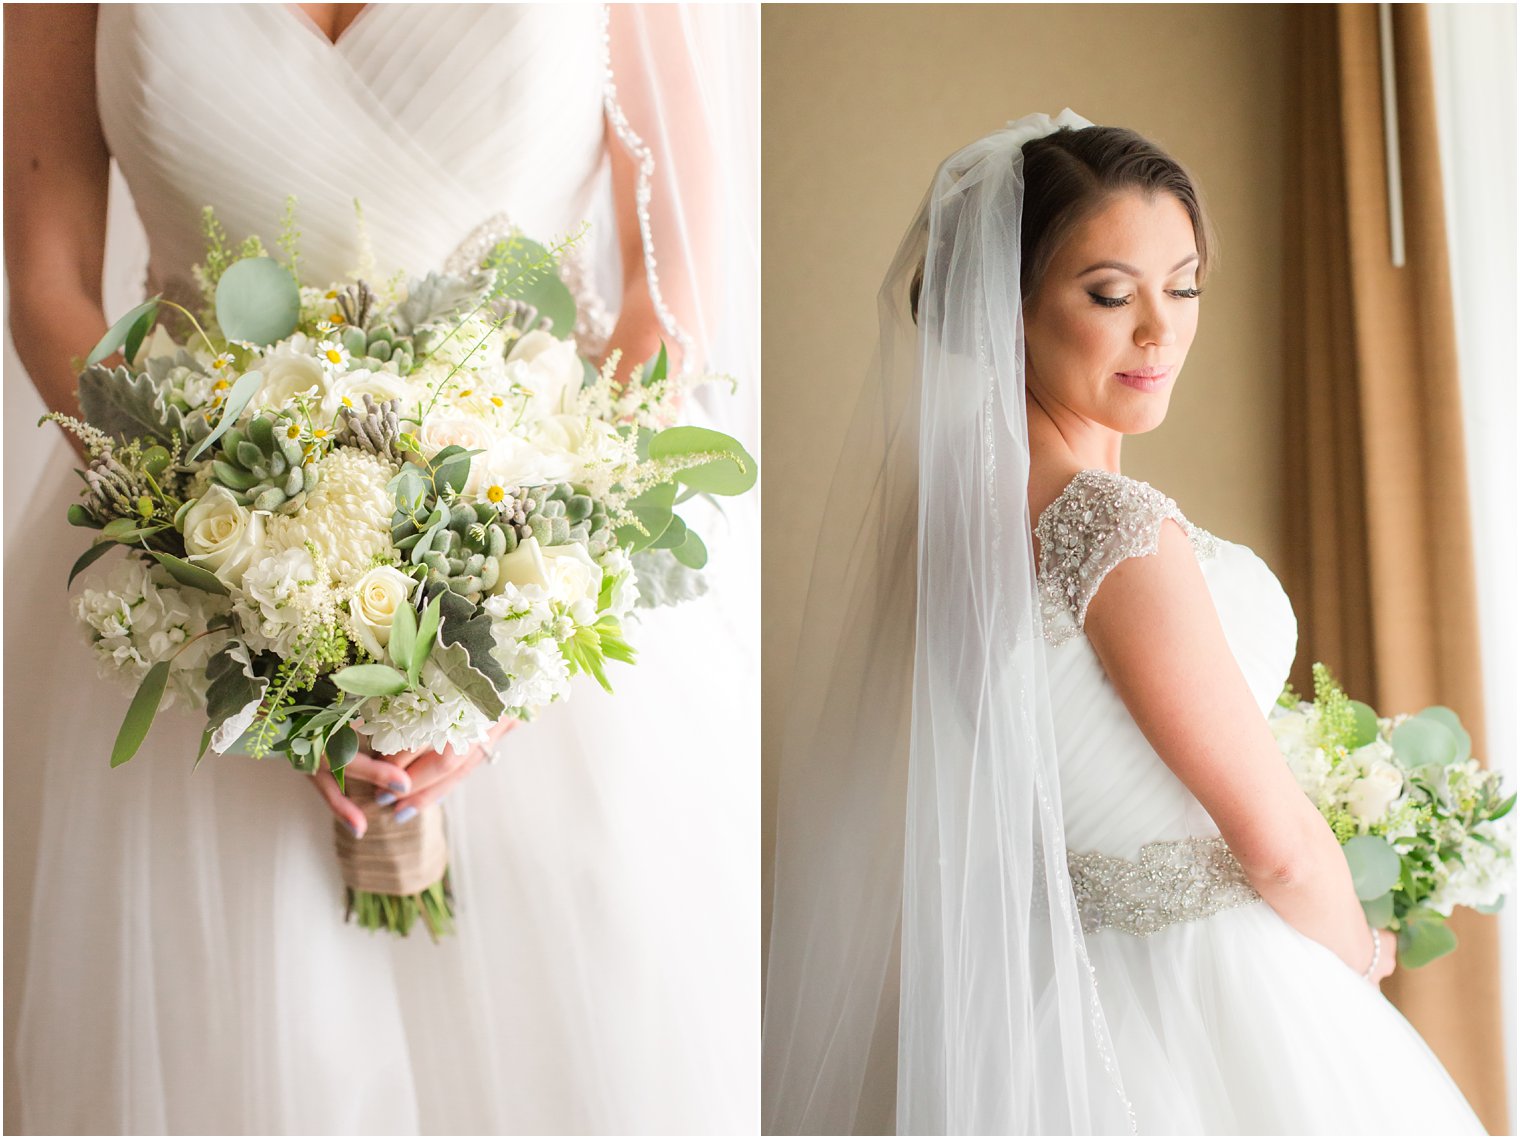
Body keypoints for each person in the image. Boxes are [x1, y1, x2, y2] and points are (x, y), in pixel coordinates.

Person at [4, 4, 757, 1133]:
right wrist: (223, 588)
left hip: (538, 556)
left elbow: (672, 281)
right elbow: (50, 280)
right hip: (184, 568)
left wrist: (522, 612)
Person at [763, 109, 1486, 1134]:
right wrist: (1353, 956)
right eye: (1109, 293)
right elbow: (1275, 845)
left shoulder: (953, 527)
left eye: (1182, 286)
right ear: (1003, 308)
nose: (1160, 328)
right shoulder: (1107, 526)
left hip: (1059, 1002)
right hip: (1213, 995)